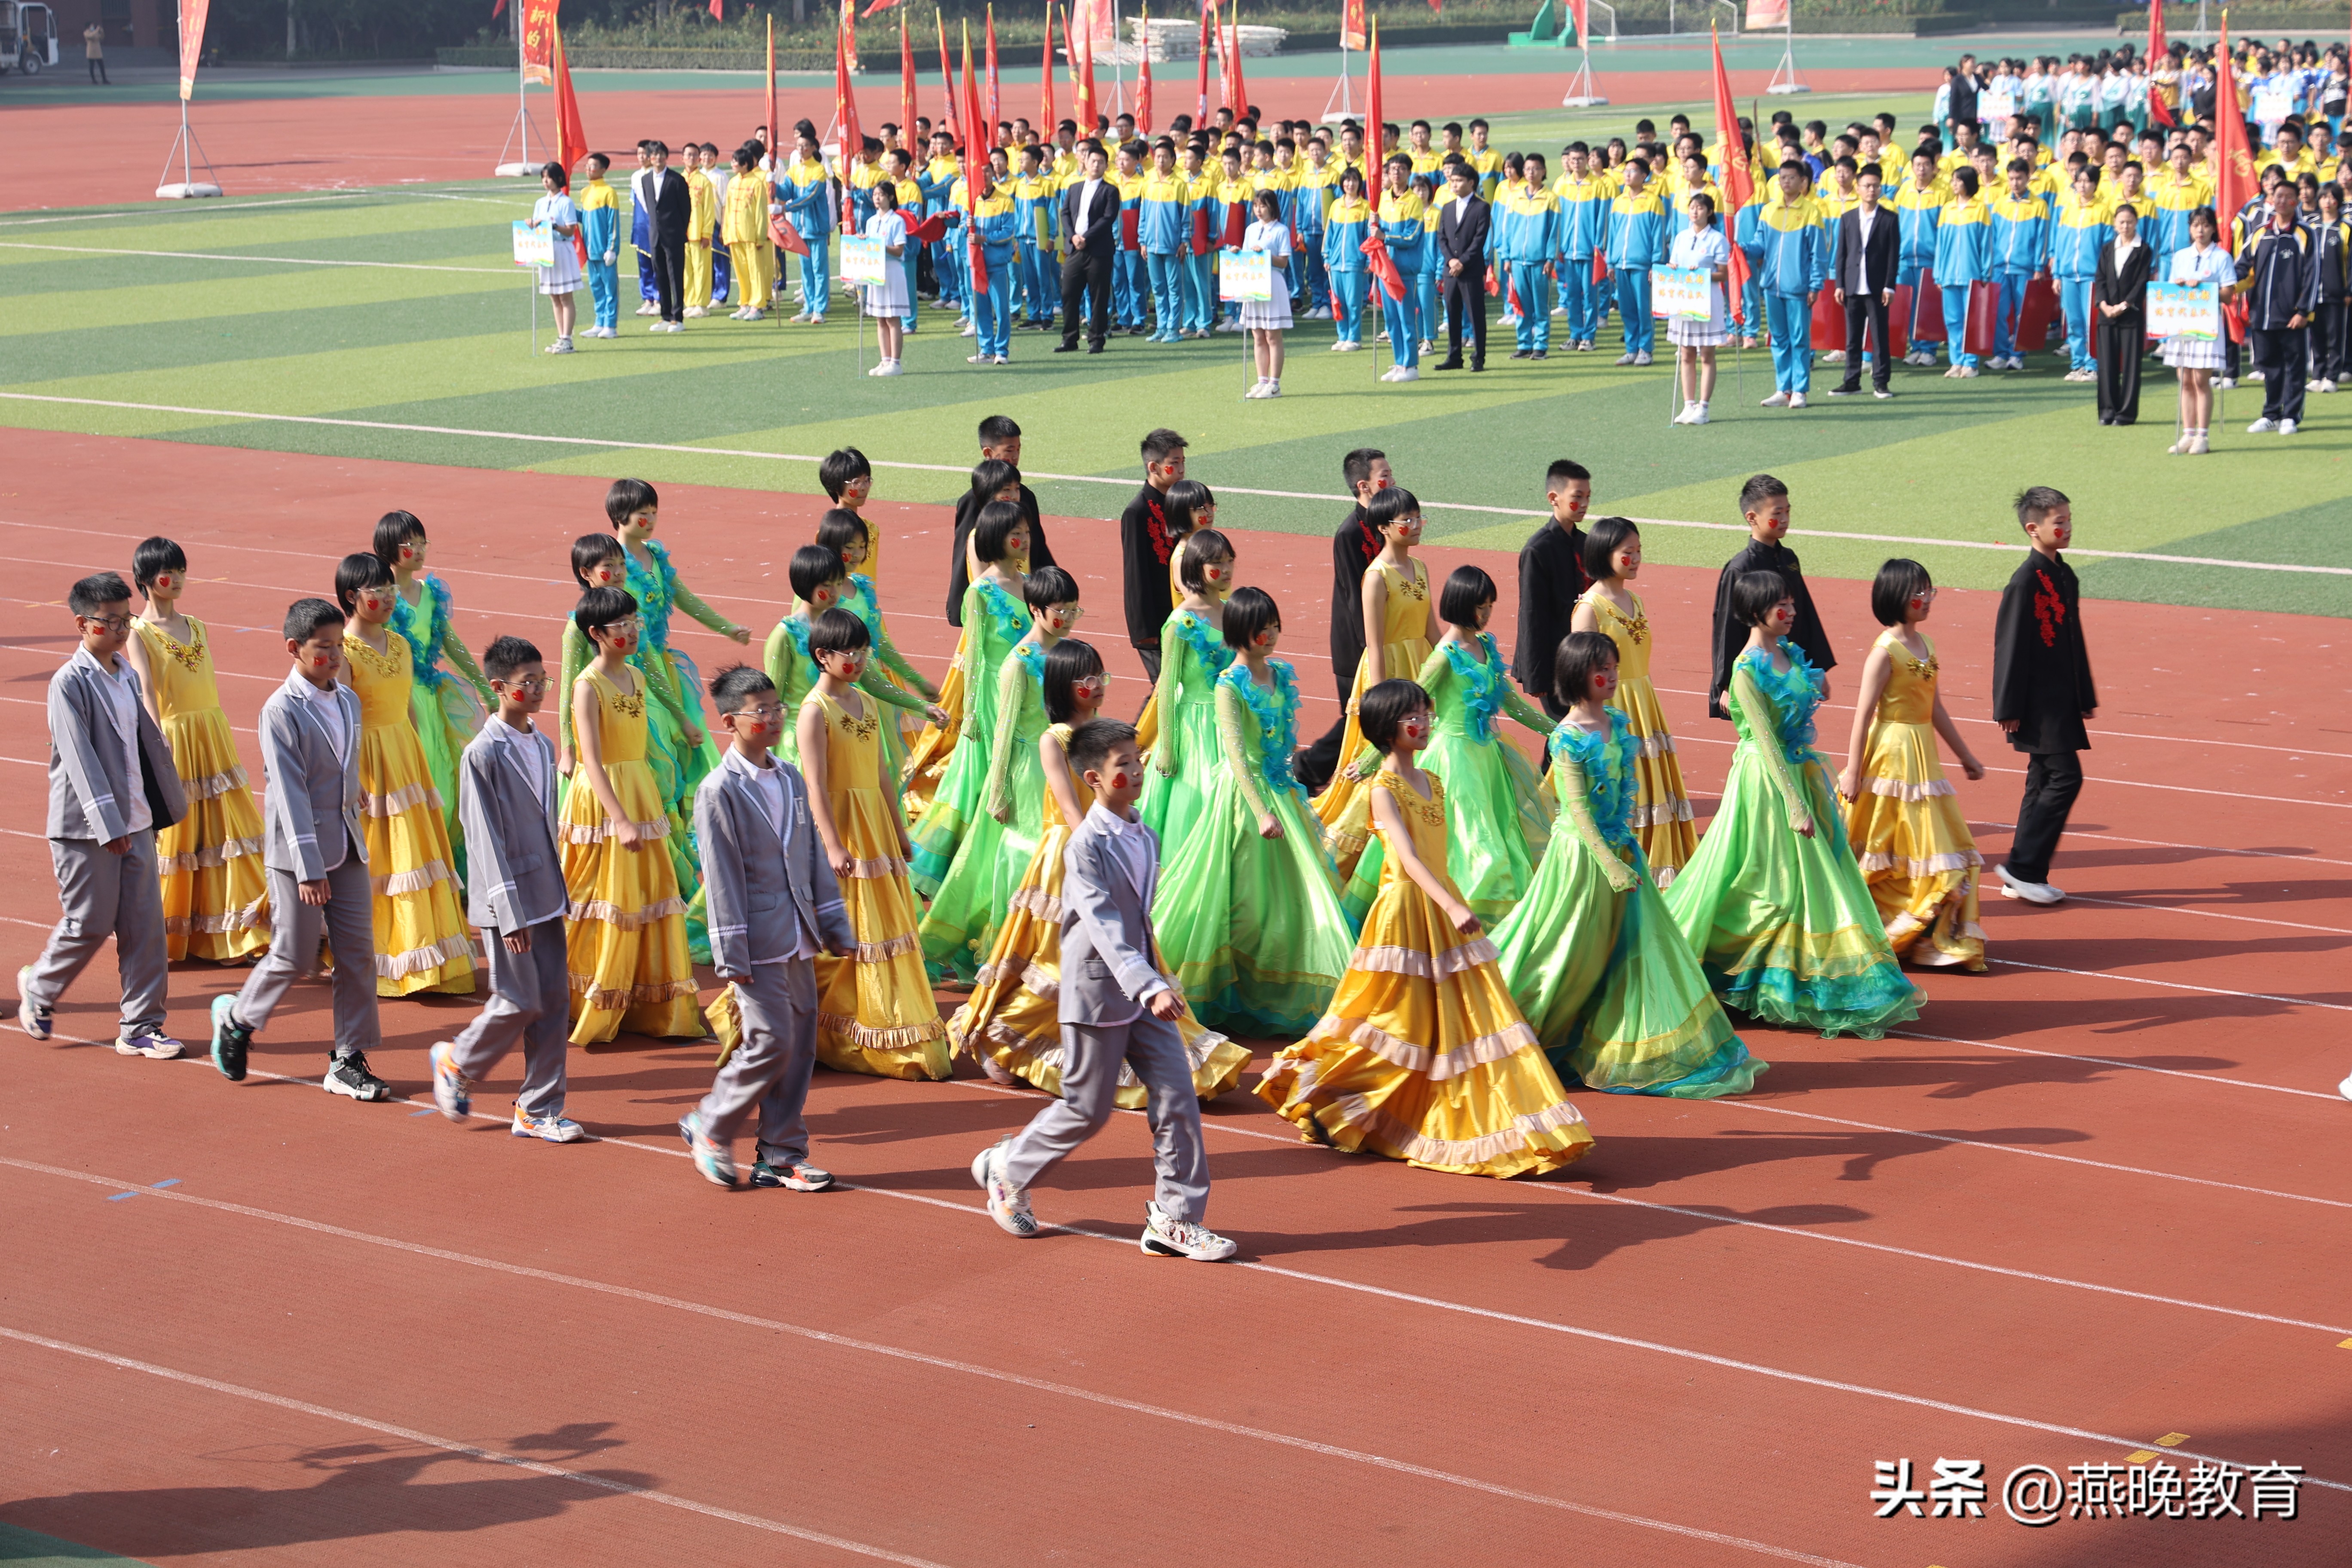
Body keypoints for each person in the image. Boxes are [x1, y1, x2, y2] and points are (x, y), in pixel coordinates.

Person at [1258, 680, 1596, 1177]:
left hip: (1442, 905)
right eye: (1411, 716)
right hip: (1405, 916)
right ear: (1384, 729)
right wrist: (1451, 905)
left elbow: (1436, 854)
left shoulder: (1434, 781)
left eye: (1424, 712)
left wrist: (1452, 901)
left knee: (1467, 1020)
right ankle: (1330, 1092)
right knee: (1395, 1021)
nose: (1423, 722)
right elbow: (1408, 858)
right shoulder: (1380, 790)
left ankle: (1501, 1119)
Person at [971, 720, 1239, 1260]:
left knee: (1178, 1097)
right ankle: (1009, 1168)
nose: (1137, 771)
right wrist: (1149, 986)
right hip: (1098, 993)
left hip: (1142, 992)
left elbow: (1137, 922)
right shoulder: (1086, 847)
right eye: (1124, 764)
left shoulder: (1146, 833)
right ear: (1094, 777)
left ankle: (1174, 1219)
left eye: (1138, 759)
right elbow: (1102, 925)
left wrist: (1154, 982)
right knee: (1087, 1110)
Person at [956, 642, 1249, 1103]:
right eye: (1084, 679)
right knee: (1061, 959)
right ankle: (1015, 1040)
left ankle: (1066, 1047)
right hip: (1070, 855)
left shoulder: (1105, 733)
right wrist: (1106, 849)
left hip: (1104, 847)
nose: (1094, 687)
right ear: (1062, 685)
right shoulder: (1054, 738)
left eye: (1099, 677)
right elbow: (1071, 808)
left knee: (1108, 953)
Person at [1493, 632, 1763, 1096]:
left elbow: (1621, 798)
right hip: (1582, 863)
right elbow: (1578, 811)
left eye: (1615, 667)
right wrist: (1610, 866)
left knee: (1633, 952)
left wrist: (1626, 856)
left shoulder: (1619, 723)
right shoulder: (1568, 737)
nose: (1614, 676)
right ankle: (1503, 1034)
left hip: (1621, 852)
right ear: (1579, 676)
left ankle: (1629, 1047)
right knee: (1562, 955)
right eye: (1604, 669)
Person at [1666, 573, 1923, 1039]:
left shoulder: (1789, 655)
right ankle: (1710, 967)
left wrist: (1816, 685)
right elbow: (1764, 744)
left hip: (1801, 773)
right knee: (1766, 883)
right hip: (1767, 786)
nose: (1791, 612)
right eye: (1782, 606)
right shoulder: (1745, 671)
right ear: (1755, 611)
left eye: (1791, 604)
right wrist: (1794, 805)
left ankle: (1791, 978)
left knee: (1805, 882)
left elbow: (1814, 695)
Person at [677, 667, 856, 1191]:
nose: (775, 718)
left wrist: (834, 923)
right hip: (755, 941)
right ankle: (712, 1122)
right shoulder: (718, 792)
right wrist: (732, 953)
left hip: (799, 935)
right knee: (771, 1041)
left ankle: (780, 1154)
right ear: (730, 721)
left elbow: (812, 859)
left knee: (800, 1045)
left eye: (778, 708)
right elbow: (723, 877)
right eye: (762, 711)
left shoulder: (790, 778)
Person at [207, 599, 390, 1099]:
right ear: (295, 649)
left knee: (357, 955)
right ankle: (239, 1021)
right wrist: (309, 869)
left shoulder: (348, 701)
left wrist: (355, 799)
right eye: (323, 648)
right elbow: (288, 794)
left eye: (339, 647)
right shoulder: (280, 711)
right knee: (294, 955)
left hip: (347, 844)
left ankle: (348, 1058)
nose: (334, 657)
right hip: (298, 857)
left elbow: (343, 768)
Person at [1152, 588, 1355, 1036]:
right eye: (1259, 629)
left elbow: (1281, 744)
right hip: (1245, 803)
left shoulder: (1282, 674)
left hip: (1283, 794)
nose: (1269, 635)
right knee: (1239, 896)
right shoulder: (1228, 684)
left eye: (1273, 626)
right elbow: (1236, 757)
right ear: (1239, 633)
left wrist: (1284, 795)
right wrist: (1262, 811)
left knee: (1299, 894)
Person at [18, 573, 186, 1060]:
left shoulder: (126, 674)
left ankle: (142, 1026)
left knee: (145, 928)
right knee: (88, 923)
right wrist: (108, 826)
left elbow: (139, 747)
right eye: (110, 621)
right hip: (84, 829)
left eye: (125, 619)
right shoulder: (69, 683)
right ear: (82, 624)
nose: (120, 629)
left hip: (135, 822)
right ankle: (41, 988)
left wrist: (153, 811)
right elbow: (80, 759)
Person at [429, 636, 584, 1142]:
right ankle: (458, 1060)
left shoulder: (542, 744)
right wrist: (506, 911)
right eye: (528, 683)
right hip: (510, 900)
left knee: (554, 1003)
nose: (539, 690)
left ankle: (538, 1109)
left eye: (543, 680)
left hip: (546, 892)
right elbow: (484, 838)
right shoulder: (483, 754)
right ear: (498, 688)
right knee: (517, 1000)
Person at [784, 610, 950, 1080]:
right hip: (839, 825)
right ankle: (818, 1023)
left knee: (879, 925)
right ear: (823, 656)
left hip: (874, 824)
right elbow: (815, 785)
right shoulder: (815, 711)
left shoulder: (867, 703)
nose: (857, 660)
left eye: (862, 651)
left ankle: (866, 1020)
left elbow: (880, 772)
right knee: (842, 927)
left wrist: (898, 831)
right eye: (847, 652)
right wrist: (833, 846)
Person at [919, 566, 1081, 982]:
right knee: (1026, 853)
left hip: (1065, 764)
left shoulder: (1067, 654)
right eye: (1058, 611)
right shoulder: (1019, 664)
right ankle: (1010, 946)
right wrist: (1000, 789)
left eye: (1072, 610)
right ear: (1035, 609)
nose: (1065, 618)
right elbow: (1005, 731)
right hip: (1028, 772)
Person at [560, 585, 705, 1044]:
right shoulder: (587, 686)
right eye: (620, 626)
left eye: (633, 622)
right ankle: (589, 1000)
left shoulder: (639, 679)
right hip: (603, 801)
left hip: (639, 792)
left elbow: (646, 748)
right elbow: (593, 759)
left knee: (648, 895)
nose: (630, 631)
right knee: (604, 899)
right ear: (596, 634)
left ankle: (647, 1001)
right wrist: (620, 818)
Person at [332, 553, 477, 999]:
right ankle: (387, 956)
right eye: (379, 592)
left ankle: (430, 953)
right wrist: (351, 775)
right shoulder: (343, 652)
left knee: (418, 854)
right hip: (369, 763)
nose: (391, 598)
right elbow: (341, 718)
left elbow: (408, 706)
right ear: (353, 597)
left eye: (391, 590)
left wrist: (418, 752)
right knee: (384, 859)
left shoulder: (399, 644)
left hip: (406, 757)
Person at [1835, 561, 1989, 973]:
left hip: (1923, 757)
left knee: (1930, 847)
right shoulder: (1884, 651)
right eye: (1919, 592)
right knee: (1901, 845)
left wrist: (1965, 756)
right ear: (1897, 598)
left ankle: (1923, 935)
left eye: (1929, 590)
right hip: (1891, 756)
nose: (1927, 599)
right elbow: (1863, 714)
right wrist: (1853, 770)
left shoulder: (1928, 645)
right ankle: (1899, 929)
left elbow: (1935, 707)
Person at [121, 539, 268, 964]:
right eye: (169, 572)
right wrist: (156, 737)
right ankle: (172, 931)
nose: (179, 578)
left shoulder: (198, 626)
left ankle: (239, 929)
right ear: (147, 581)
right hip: (175, 737)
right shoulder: (138, 632)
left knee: (228, 832)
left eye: (182, 569)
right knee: (183, 838)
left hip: (211, 732)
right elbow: (145, 687)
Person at [1384, 566, 1553, 923]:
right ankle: (1467, 911)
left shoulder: (1487, 646)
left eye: (1491, 605)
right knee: (1473, 843)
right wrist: (1371, 760)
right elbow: (1409, 703)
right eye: (1481, 606)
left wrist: (1557, 731)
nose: (1487, 613)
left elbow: (1512, 704)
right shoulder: (1445, 654)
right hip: (1454, 761)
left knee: (1501, 834)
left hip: (1489, 760)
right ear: (1461, 605)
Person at [908, 502, 1033, 901]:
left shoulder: (1030, 584)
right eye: (1018, 534)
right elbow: (975, 657)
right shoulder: (980, 593)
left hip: (1029, 693)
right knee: (981, 779)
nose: (1026, 540)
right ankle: (961, 863)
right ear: (997, 539)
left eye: (1027, 533)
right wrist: (975, 712)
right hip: (993, 697)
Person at [1313, 487, 1438, 884]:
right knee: (1381, 759)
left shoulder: (1420, 568)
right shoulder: (1375, 577)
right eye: (1408, 520)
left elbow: (1432, 629)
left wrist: (1460, 660)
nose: (1416, 526)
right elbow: (1375, 644)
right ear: (1385, 528)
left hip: (1420, 666)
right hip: (1389, 671)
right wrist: (1382, 702)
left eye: (1419, 517)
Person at [1569, 518, 1697, 885]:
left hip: (1644, 703)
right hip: (1612, 709)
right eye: (1629, 552)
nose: (1637, 558)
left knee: (1649, 785)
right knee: (1624, 788)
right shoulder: (1589, 609)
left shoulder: (1634, 600)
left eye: (1639, 550)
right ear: (1604, 554)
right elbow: (1580, 674)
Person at [1990, 487, 2096, 907]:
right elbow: (2010, 647)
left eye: (2069, 520)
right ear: (2034, 529)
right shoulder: (2024, 582)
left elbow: (2073, 640)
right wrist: (2009, 706)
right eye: (2059, 522)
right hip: (2036, 704)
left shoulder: (2064, 575)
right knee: (2066, 778)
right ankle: (2022, 867)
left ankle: (2024, 871)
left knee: (2042, 780)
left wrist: (2083, 693)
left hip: (2061, 699)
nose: (2067, 528)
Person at [373, 510, 492, 877]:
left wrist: (485, 687)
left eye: (423, 542)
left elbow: (450, 644)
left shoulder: (429, 593)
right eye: (411, 544)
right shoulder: (381, 598)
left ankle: (443, 867)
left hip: (431, 699)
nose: (420, 550)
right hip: (399, 702)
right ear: (390, 549)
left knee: (443, 781)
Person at [1140, 530, 1237, 848]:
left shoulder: (1233, 613)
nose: (1225, 571)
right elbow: (1166, 688)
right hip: (1196, 728)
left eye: (1229, 562)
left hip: (1234, 723)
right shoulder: (1180, 622)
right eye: (1216, 563)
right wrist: (1167, 745)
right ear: (1197, 566)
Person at [1709, 474, 1834, 720]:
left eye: (1788, 511)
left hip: (1789, 667)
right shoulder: (1741, 568)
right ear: (1752, 518)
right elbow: (1727, 627)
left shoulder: (1789, 559)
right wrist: (1724, 684)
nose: (1785, 519)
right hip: (1759, 672)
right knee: (1761, 734)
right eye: (1777, 514)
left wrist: (1817, 670)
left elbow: (1806, 615)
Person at [1511, 460, 1595, 726]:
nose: (1584, 504)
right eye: (1577, 497)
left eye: (1588, 497)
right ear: (1553, 499)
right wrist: (1537, 676)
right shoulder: (1538, 550)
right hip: (1553, 664)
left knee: (1576, 733)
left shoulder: (1586, 544)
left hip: (1583, 659)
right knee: (1569, 732)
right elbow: (1532, 614)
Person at [2239, 181, 2321, 435]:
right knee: (2269, 366)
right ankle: (2271, 414)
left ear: (2297, 201)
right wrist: (2227, 286)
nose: (2282, 201)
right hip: (2262, 315)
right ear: (2270, 200)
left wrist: (2303, 311)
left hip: (2292, 316)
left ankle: (2291, 416)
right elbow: (2242, 266)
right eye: (2278, 196)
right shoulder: (2260, 233)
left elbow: (2312, 274)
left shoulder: (2305, 234)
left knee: (2295, 365)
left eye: (2288, 196)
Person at [1752, 161, 1830, 408]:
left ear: (1802, 182)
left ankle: (1800, 390)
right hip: (1772, 286)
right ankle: (1783, 388)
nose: (1786, 182)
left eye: (1792, 178)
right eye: (1782, 177)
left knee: (1800, 339)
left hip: (1798, 287)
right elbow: (1759, 244)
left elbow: (1819, 255)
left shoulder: (1811, 212)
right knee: (1779, 339)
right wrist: (1741, 248)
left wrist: (1815, 286)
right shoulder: (1768, 211)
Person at [1118, 429, 1188, 680]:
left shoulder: (1180, 504)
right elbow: (1136, 576)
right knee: (1165, 690)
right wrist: (1144, 631)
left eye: (1183, 463)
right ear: (1154, 467)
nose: (1181, 470)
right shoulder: (1137, 513)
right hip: (1156, 622)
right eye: (1174, 464)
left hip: (1183, 614)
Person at [1828, 167, 1899, 398]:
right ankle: (1851, 381)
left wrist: (1890, 285)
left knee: (1879, 337)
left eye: (1876, 186)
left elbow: (1892, 255)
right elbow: (1842, 253)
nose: (1871, 190)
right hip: (1852, 286)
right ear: (1857, 189)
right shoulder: (1848, 218)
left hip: (1878, 287)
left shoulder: (1889, 218)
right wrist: (1840, 284)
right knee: (1852, 337)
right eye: (1867, 186)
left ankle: (1881, 382)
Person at [1667, 191, 1733, 424]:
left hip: (1707, 300)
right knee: (1686, 353)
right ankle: (1688, 405)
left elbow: (1723, 274)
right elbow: (1674, 263)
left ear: (1710, 212)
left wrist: (1703, 275)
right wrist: (1672, 268)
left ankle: (1704, 407)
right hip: (1684, 299)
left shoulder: (1717, 239)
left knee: (1706, 354)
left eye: (1700, 208)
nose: (1695, 211)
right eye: (1692, 207)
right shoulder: (1681, 237)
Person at [2093, 201, 2153, 424]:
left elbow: (2141, 282)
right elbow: (2100, 279)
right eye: (2121, 222)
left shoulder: (2144, 249)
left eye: (2129, 222)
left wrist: (2125, 305)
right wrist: (2104, 305)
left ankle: (2126, 413)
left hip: (2131, 315)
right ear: (2114, 224)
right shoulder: (2108, 248)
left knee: (2131, 366)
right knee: (2106, 366)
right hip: (2106, 315)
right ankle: (2107, 411)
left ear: (2136, 223)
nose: (2125, 226)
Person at [1058, 145, 1121, 353]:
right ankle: (1069, 339)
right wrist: (1073, 236)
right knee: (1069, 293)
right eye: (1093, 161)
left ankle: (1096, 339)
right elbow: (1065, 213)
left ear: (1106, 166)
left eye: (1101, 162)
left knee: (1099, 296)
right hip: (1075, 249)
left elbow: (1108, 218)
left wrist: (1086, 237)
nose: (1096, 165)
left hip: (1099, 251)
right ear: (1084, 162)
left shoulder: (1110, 190)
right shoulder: (1074, 188)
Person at [1932, 167, 1991, 376]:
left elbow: (1986, 244)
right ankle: (1956, 361)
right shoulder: (1947, 209)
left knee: (1971, 321)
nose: (1954, 184)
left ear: (1968, 183)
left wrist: (1985, 273)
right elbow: (1940, 244)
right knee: (1953, 320)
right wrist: (1938, 273)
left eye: (1958, 180)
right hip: (1948, 275)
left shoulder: (1980, 209)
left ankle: (1971, 362)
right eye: (1953, 180)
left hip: (1972, 275)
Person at [1434, 162, 1491, 372]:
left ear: (1471, 183)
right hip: (1450, 271)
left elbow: (1479, 239)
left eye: (1459, 181)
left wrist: (1462, 261)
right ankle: (1454, 356)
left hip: (1471, 271)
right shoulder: (1448, 208)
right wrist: (1450, 260)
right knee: (1452, 312)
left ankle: (1478, 358)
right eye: (1452, 180)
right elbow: (1442, 237)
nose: (1454, 184)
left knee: (1476, 314)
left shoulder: (1482, 206)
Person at [1240, 190, 1294, 397]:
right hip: (1254, 283)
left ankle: (1275, 383)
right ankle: (1261, 380)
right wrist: (1238, 253)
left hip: (1272, 282)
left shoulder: (1280, 230)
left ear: (1272, 206)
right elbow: (1246, 256)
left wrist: (1266, 255)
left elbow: (1284, 261)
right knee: (1258, 334)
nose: (1259, 210)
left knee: (1273, 335)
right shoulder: (1251, 229)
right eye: (1256, 206)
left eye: (1263, 206)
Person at [859, 181, 911, 375]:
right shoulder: (871, 222)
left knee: (892, 318)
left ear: (890, 197)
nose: (877, 199)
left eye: (881, 195)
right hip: (876, 272)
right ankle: (885, 359)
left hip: (892, 271)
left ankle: (896, 362)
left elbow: (899, 250)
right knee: (880, 318)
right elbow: (870, 248)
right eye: (875, 195)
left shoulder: (897, 221)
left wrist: (878, 245)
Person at [532, 163, 584, 354]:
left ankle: (567, 338)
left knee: (565, 296)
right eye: (544, 177)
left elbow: (570, 229)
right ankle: (561, 336)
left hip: (562, 249)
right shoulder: (540, 203)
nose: (546, 181)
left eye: (549, 177)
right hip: (546, 250)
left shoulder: (566, 203)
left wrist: (553, 227)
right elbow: (537, 226)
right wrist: (531, 224)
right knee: (554, 297)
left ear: (559, 179)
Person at [1322, 166, 1374, 351]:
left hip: (1355, 262)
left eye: (1354, 180)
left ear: (1359, 183)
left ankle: (1354, 337)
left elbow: (1369, 236)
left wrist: (1368, 260)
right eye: (1347, 180)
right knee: (1338, 301)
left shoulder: (1366, 207)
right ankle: (1342, 336)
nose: (1350, 184)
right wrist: (1326, 255)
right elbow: (1329, 232)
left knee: (1354, 302)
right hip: (1335, 262)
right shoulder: (1336, 205)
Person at [643, 141, 692, 332]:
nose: (658, 158)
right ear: (650, 158)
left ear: (666, 157)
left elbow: (686, 210)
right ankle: (665, 315)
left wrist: (679, 231)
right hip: (655, 236)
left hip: (674, 236)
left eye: (662, 154)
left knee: (675, 277)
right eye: (654, 155)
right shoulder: (646, 180)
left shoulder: (676, 180)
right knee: (660, 276)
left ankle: (677, 317)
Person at [723, 144, 774, 323]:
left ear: (745, 164)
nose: (733, 164)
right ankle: (744, 303)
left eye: (736, 161)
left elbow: (761, 212)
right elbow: (728, 210)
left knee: (755, 271)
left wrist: (761, 236)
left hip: (751, 236)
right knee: (742, 272)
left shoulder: (757, 183)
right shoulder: (733, 183)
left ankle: (757, 306)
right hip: (735, 235)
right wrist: (726, 232)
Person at [577, 153, 622, 340]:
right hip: (590, 251)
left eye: (593, 166)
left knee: (610, 288)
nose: (589, 170)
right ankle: (600, 322)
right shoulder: (585, 192)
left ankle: (610, 325)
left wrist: (612, 249)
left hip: (604, 251)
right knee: (596, 287)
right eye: (587, 166)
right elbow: (585, 220)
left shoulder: (609, 193)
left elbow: (613, 224)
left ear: (603, 170)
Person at [83, 20, 107, 85]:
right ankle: (94, 80)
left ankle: (104, 79)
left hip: (98, 51)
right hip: (91, 51)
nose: (93, 27)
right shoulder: (86, 32)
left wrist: (101, 32)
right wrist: (96, 31)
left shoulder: (96, 33)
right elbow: (90, 36)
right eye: (92, 26)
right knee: (92, 66)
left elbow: (102, 37)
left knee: (102, 66)